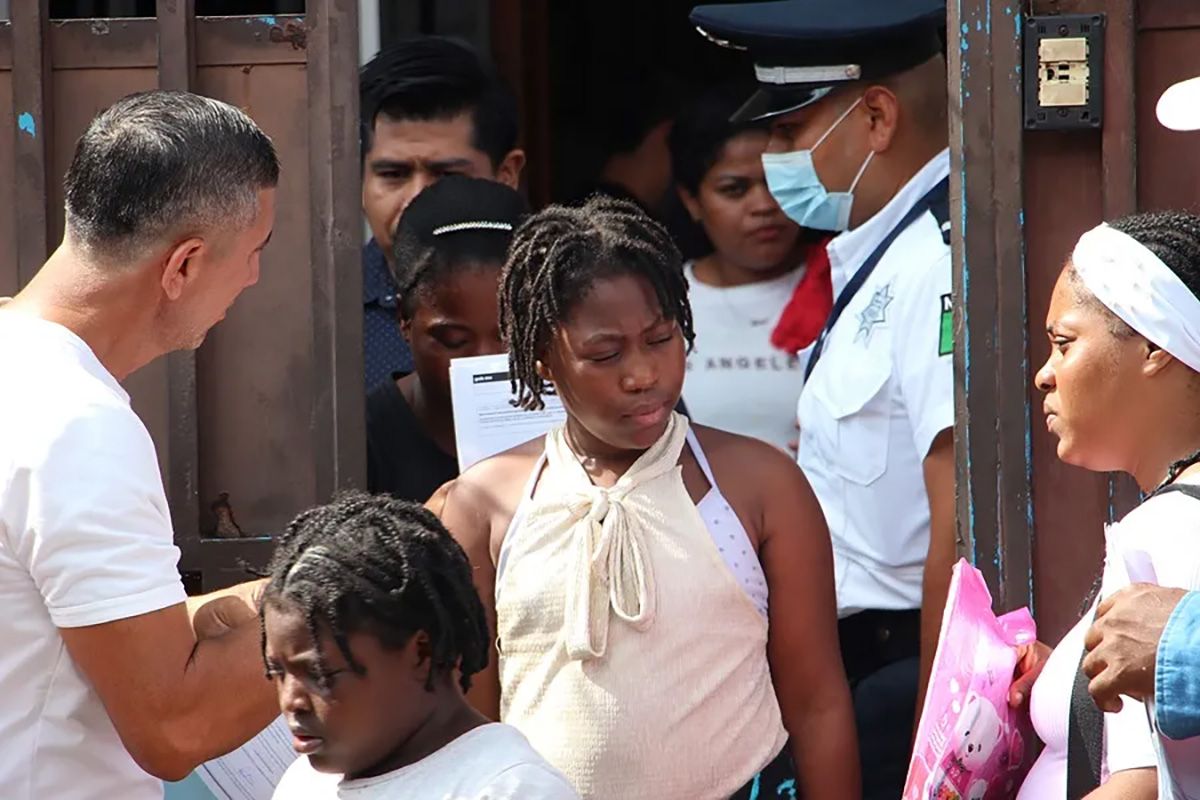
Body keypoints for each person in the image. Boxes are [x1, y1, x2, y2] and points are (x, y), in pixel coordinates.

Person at [430, 196, 859, 798]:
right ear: (542, 360)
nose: (643, 374)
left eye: (661, 339)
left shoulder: (759, 486)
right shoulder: (482, 506)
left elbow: (816, 703)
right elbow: (469, 725)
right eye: (604, 354)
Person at [690, 2, 955, 797]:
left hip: (904, 673)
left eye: (789, 130)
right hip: (853, 670)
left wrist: (930, 747)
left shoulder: (936, 262)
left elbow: (957, 525)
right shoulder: (882, 253)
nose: (775, 159)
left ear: (875, 117)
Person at [0, 91, 280, 798]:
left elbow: (69, 631)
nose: (251, 278)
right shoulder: (76, 426)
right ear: (183, 265)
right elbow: (172, 728)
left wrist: (291, 593)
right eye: (253, 254)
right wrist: (358, 600)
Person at [1007, 211, 1200, 798]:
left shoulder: (1172, 525)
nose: (1044, 375)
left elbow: (1142, 785)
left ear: (1153, 348)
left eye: (1063, 344)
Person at [264, 493, 579, 799]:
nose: (291, 701)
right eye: (277, 672)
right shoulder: (305, 783)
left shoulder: (508, 787)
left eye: (320, 674)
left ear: (421, 653)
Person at [669, 83, 831, 452]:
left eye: (777, 181)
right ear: (691, 200)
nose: (763, 205)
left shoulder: (843, 278)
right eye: (735, 189)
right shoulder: (658, 301)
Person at [359, 36, 526, 390]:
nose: (418, 197)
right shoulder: (318, 322)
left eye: (447, 175)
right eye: (393, 174)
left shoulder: (572, 304)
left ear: (507, 174)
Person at [366, 175, 528, 502]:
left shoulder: (578, 424)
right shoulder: (363, 442)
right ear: (404, 320)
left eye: (512, 336)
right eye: (454, 340)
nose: (486, 359)